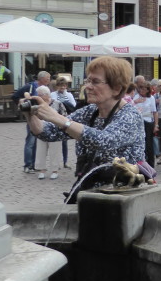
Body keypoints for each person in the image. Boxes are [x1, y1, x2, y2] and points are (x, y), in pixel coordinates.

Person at [24, 57, 145, 197]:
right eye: (88, 80)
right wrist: (30, 115)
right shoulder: (90, 111)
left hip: (123, 196)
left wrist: (59, 118)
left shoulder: (130, 115)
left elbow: (105, 141)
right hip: (92, 192)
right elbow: (47, 132)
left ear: (116, 88)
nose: (87, 86)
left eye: (95, 81)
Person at [14, 71, 51, 173]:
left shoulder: (46, 89)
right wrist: (22, 103)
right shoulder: (30, 86)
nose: (49, 80)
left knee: (37, 143)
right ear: (41, 78)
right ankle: (28, 165)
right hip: (32, 117)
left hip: (42, 118)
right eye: (47, 78)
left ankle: (35, 164)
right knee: (30, 142)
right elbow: (15, 96)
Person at [33, 85, 62, 180]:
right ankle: (42, 170)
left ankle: (55, 170)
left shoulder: (57, 103)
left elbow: (64, 115)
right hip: (41, 129)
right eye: (38, 95)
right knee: (40, 150)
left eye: (40, 94)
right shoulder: (37, 105)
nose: (39, 96)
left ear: (46, 95)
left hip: (55, 130)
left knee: (55, 151)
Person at [50, 78, 77, 169]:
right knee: (55, 143)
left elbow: (73, 106)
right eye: (60, 85)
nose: (62, 87)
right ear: (57, 86)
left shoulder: (69, 95)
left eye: (64, 85)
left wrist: (64, 103)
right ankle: (56, 163)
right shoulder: (53, 94)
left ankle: (65, 162)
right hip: (55, 120)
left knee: (64, 142)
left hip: (65, 120)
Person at [132, 82, 157, 169]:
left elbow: (154, 112)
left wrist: (156, 125)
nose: (142, 91)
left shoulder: (151, 98)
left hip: (148, 121)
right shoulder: (136, 97)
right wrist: (135, 101)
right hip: (139, 121)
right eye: (140, 89)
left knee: (149, 144)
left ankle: (150, 164)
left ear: (147, 90)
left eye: (144, 89)